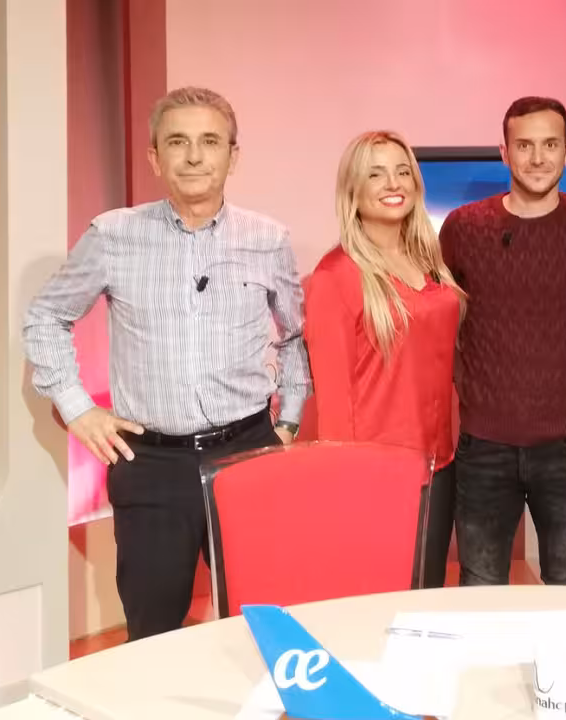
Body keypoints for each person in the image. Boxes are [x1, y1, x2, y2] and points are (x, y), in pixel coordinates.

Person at [23, 87, 311, 641]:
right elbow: (45, 318)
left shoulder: (268, 238)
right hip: (150, 462)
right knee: (153, 633)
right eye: (178, 142)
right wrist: (79, 410)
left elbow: (294, 335)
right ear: (155, 158)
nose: (195, 156)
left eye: (210, 141)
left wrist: (290, 420)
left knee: (266, 625)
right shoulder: (113, 235)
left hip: (249, 452)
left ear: (232, 155)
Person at [439, 96, 566, 586]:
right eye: (524, 146)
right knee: (480, 586)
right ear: (504, 152)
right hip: (485, 443)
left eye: (550, 145)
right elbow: (441, 311)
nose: (538, 158)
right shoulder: (464, 227)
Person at [304, 130, 464, 589]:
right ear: (353, 189)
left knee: (425, 599)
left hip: (439, 463)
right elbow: (334, 402)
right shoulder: (336, 275)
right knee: (379, 606)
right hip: (375, 475)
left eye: (402, 171)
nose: (393, 183)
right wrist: (348, 487)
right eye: (375, 174)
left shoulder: (430, 262)